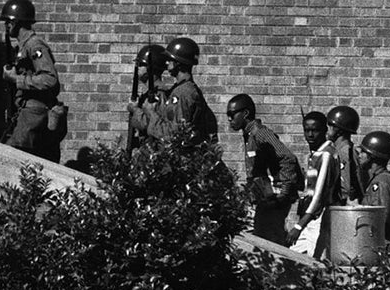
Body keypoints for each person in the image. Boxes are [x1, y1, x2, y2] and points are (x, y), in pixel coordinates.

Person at [227, 93, 301, 246]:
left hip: (274, 199)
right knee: (263, 239)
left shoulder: (261, 133)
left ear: (245, 113)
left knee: (270, 243)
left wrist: (284, 191)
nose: (229, 119)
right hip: (265, 199)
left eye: (232, 114)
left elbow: (288, 158)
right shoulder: (250, 135)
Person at [2, 0, 63, 162]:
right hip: (26, 110)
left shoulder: (35, 46)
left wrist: (16, 79)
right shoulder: (23, 47)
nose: (6, 26)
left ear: (16, 23)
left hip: (35, 112)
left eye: (8, 22)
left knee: (11, 156)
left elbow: (50, 79)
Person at [130, 37, 218, 147]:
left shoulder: (183, 93)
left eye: (170, 59)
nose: (166, 63)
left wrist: (150, 112)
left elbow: (172, 135)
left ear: (178, 63)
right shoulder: (182, 90)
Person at [286, 111, 339, 259]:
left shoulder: (326, 155)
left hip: (320, 219)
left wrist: (299, 226)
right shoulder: (315, 154)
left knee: (317, 263)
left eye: (315, 130)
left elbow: (319, 196)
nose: (310, 134)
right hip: (309, 219)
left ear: (324, 131)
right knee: (290, 255)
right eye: (306, 130)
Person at [125, 43, 167, 150]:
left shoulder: (160, 93)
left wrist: (135, 109)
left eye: (141, 65)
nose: (138, 68)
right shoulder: (148, 94)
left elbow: (149, 123)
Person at [326, 105, 361, 204]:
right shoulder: (339, 149)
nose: (327, 129)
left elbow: (346, 188)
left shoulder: (345, 151)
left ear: (338, 129)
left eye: (329, 125)